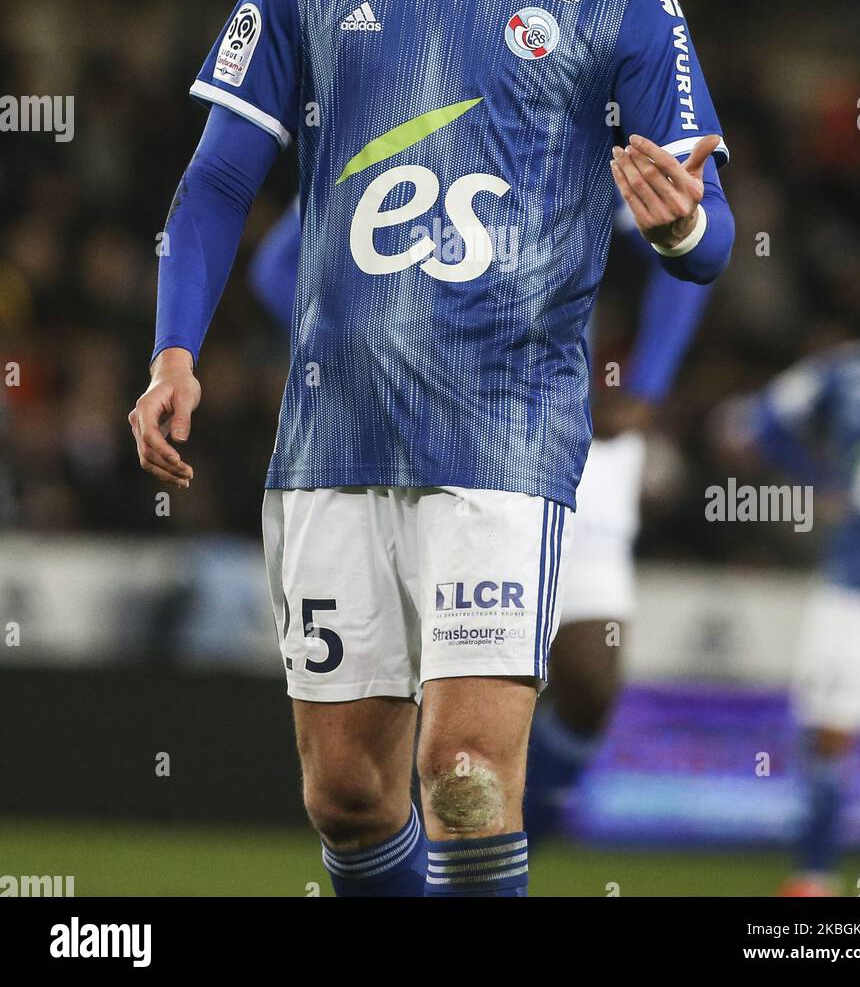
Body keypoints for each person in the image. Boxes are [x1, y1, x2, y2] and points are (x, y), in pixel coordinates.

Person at [129, 0, 733, 898]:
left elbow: (712, 233)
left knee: (463, 772)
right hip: (333, 432)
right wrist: (174, 350)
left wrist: (675, 233)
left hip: (504, 433)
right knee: (349, 796)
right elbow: (211, 187)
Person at [249, 197, 716, 843]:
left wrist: (646, 387)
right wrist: (352, 351)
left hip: (546, 430)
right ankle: (434, 856)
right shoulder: (378, 122)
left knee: (589, 678)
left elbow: (687, 236)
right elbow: (275, 266)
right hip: (403, 439)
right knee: (409, 730)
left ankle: (523, 847)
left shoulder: (574, 118)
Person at [723, 245, 860, 896]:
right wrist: (816, 479)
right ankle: (812, 877)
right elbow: (751, 421)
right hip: (852, 587)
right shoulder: (844, 373)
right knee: (831, 730)